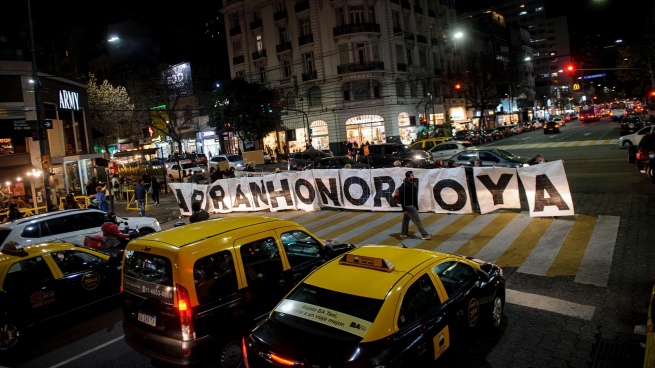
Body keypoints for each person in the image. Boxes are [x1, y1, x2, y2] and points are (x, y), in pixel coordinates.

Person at [398, 171, 431, 240]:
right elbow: (402, 198)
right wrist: (404, 209)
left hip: (410, 205)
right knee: (417, 220)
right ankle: (424, 235)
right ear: (408, 177)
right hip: (409, 206)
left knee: (406, 220)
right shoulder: (404, 186)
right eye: (412, 175)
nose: (413, 176)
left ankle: (403, 233)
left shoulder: (410, 184)